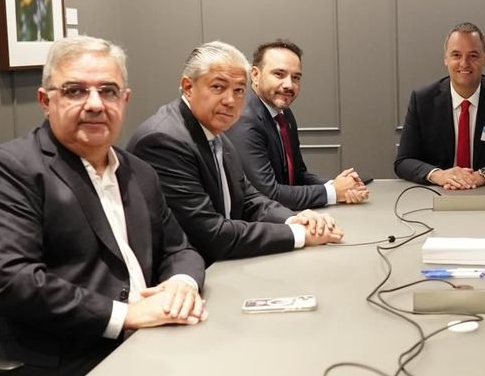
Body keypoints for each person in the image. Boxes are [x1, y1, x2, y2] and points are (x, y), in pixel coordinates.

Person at [0, 36, 207, 376]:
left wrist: (183, 284)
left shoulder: (139, 172)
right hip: (51, 374)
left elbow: (180, 248)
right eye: (75, 90)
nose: (94, 103)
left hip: (144, 351)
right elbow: (13, 281)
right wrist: (126, 315)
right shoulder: (9, 170)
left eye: (107, 91)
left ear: (125, 100)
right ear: (45, 100)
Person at [127, 41, 342, 266]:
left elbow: (249, 198)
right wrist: (298, 235)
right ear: (188, 88)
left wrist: (293, 219)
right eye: (218, 87)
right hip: (179, 280)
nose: (230, 101)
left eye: (239, 90)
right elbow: (210, 235)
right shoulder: (163, 141)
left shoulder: (215, 131)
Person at [227, 40, 369, 210]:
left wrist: (341, 186)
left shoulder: (283, 113)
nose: (289, 85)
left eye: (296, 77)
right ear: (255, 75)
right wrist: (333, 192)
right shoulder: (244, 120)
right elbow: (268, 194)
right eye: (279, 74)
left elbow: (298, 176)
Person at [395, 22, 485, 189]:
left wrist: (484, 175)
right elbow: (403, 161)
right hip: (438, 195)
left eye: (473, 55)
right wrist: (439, 175)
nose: (464, 63)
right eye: (456, 55)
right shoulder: (423, 100)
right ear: (445, 59)